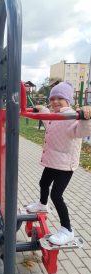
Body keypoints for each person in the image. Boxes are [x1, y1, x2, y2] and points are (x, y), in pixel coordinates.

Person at [26, 82, 91, 245]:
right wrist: (41, 108)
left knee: (56, 195)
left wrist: (86, 117)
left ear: (68, 100)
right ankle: (42, 204)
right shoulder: (53, 115)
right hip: (52, 161)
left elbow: (83, 131)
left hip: (65, 165)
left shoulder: (72, 116)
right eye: (52, 98)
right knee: (43, 183)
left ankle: (67, 229)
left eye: (60, 98)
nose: (55, 101)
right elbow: (47, 119)